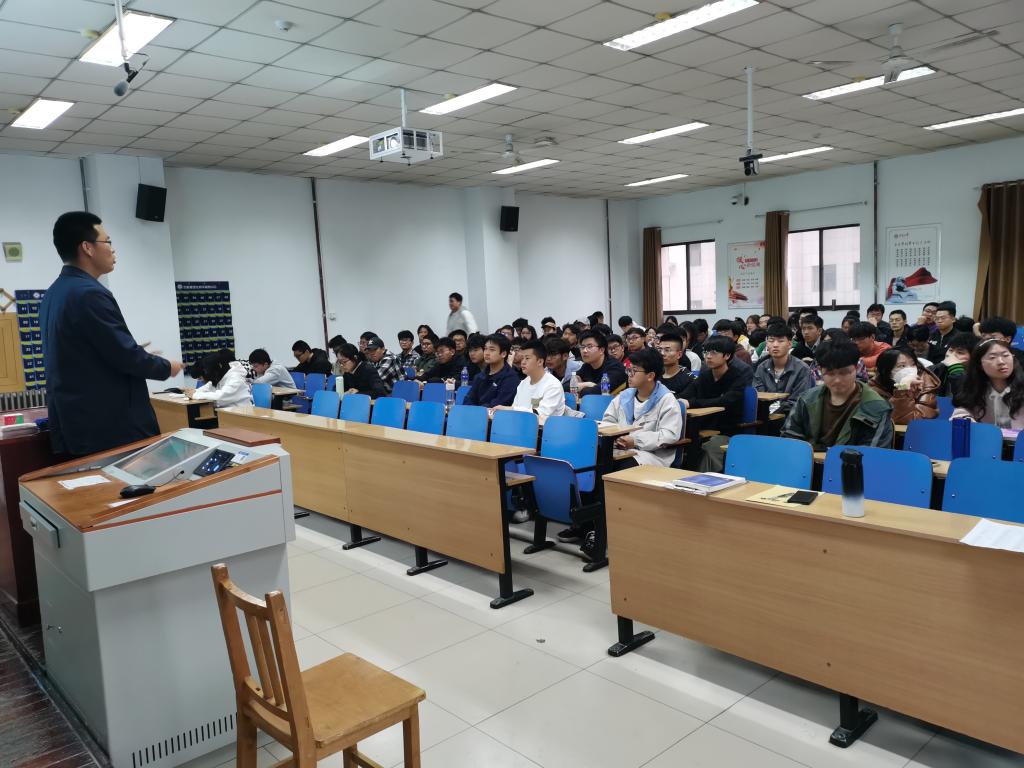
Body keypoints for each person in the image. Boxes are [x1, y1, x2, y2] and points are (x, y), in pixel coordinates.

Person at [41, 211, 182, 456]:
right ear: (87, 247)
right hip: (109, 429)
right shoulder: (89, 293)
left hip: (76, 424)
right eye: (107, 241)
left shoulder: (54, 294)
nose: (112, 249)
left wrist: (130, 351)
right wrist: (167, 367)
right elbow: (126, 356)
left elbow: (85, 354)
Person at [781, 341, 894, 450]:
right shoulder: (806, 399)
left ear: (856, 368)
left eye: (844, 373)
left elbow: (872, 453)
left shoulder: (877, 407)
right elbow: (790, 438)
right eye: (830, 373)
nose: (837, 380)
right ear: (820, 371)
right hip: (809, 462)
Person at [602, 346, 683, 468]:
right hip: (621, 450)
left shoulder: (666, 400)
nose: (629, 375)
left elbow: (669, 435)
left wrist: (636, 440)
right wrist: (615, 437)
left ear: (650, 376)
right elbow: (608, 421)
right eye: (628, 370)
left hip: (651, 455)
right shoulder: (624, 396)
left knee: (622, 466)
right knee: (596, 461)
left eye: (634, 371)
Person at [678, 336, 753, 438]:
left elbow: (723, 402)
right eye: (706, 352)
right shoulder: (705, 375)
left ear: (727, 355)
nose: (708, 356)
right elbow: (687, 393)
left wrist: (691, 403)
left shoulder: (737, 377)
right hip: (703, 426)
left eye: (713, 353)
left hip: (726, 430)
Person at [951, 338, 1024, 429]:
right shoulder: (975, 390)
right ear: (980, 364)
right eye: (992, 357)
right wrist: (967, 420)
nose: (1001, 362)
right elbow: (960, 413)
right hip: (986, 437)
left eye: (1005, 355)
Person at [752, 323, 813, 415]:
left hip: (791, 417)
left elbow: (798, 401)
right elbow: (758, 395)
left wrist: (777, 409)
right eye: (771, 340)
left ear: (789, 344)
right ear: (766, 344)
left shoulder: (802, 368)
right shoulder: (762, 367)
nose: (775, 345)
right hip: (765, 416)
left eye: (780, 341)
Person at [870, 348, 940, 424]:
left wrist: (902, 389)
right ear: (886, 371)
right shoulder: (876, 386)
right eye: (902, 366)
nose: (910, 370)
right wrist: (903, 389)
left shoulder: (925, 381)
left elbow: (913, 420)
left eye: (913, 364)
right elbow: (880, 419)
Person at [503, 340, 567, 420]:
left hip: (545, 427)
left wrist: (509, 409)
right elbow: (515, 409)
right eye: (522, 358)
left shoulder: (553, 385)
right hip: (521, 424)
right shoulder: (523, 383)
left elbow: (540, 415)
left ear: (540, 361)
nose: (523, 362)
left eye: (527, 358)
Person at [463, 334, 519, 408]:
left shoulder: (510, 378)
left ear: (503, 354)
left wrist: (477, 410)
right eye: (485, 349)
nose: (486, 353)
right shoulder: (479, 376)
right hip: (476, 413)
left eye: (492, 350)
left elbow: (499, 404)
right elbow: (468, 400)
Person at [185, 352, 253, 409]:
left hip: (242, 413)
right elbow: (208, 387)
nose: (209, 375)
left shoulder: (235, 378)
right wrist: (194, 392)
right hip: (226, 412)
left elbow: (220, 397)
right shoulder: (220, 376)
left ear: (219, 367)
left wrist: (195, 395)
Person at [576, 330, 628, 396]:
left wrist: (579, 386)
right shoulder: (587, 365)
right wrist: (587, 384)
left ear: (601, 350)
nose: (584, 351)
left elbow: (598, 392)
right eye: (582, 347)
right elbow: (566, 386)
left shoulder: (615, 367)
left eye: (589, 347)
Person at [930, 332, 977, 398]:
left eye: (960, 353)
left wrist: (955, 368)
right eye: (951, 350)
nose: (951, 355)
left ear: (974, 356)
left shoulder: (979, 376)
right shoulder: (939, 368)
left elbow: (965, 397)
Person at [658, 331, 698, 397]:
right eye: (660, 350)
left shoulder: (689, 379)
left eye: (667, 350)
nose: (662, 353)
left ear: (679, 354)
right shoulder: (654, 374)